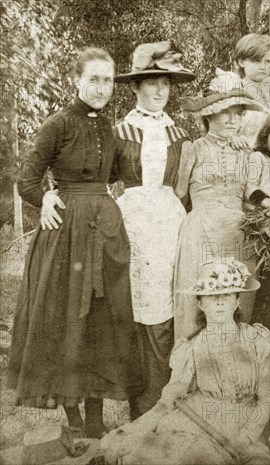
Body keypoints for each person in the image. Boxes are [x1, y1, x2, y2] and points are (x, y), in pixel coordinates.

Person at [7, 47, 143, 438]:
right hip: (66, 236)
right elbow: (27, 179)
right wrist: (46, 197)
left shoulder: (109, 127)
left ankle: (97, 420)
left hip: (104, 229)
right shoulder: (58, 123)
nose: (101, 88)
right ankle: (73, 421)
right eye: (93, 79)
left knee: (100, 322)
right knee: (69, 320)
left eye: (107, 80)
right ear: (77, 80)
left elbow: (122, 172)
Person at [100, 258, 270, 465]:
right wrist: (138, 427)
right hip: (198, 417)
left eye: (227, 295)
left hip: (243, 421)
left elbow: (267, 397)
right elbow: (170, 398)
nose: (220, 302)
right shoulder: (192, 346)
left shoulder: (257, 340)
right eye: (212, 296)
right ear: (200, 303)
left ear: (237, 301)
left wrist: (247, 437)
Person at [111, 41, 195, 419]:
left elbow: (190, 185)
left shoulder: (179, 134)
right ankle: (140, 409)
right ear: (135, 86)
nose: (159, 90)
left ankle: (166, 405)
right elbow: (95, 180)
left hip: (171, 222)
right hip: (130, 221)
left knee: (167, 309)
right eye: (150, 82)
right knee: (133, 308)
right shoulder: (120, 131)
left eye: (165, 83)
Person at [173, 72, 270, 338]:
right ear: (209, 115)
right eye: (225, 112)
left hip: (238, 234)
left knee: (237, 302)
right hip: (200, 232)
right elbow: (179, 193)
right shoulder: (193, 148)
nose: (233, 119)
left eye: (239, 113)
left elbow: (252, 194)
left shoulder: (246, 152)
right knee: (199, 302)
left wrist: (269, 209)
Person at [233, 33, 270, 149]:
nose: (262, 66)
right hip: (245, 152)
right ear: (241, 62)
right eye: (256, 61)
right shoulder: (236, 89)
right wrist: (232, 137)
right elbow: (221, 122)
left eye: (267, 62)